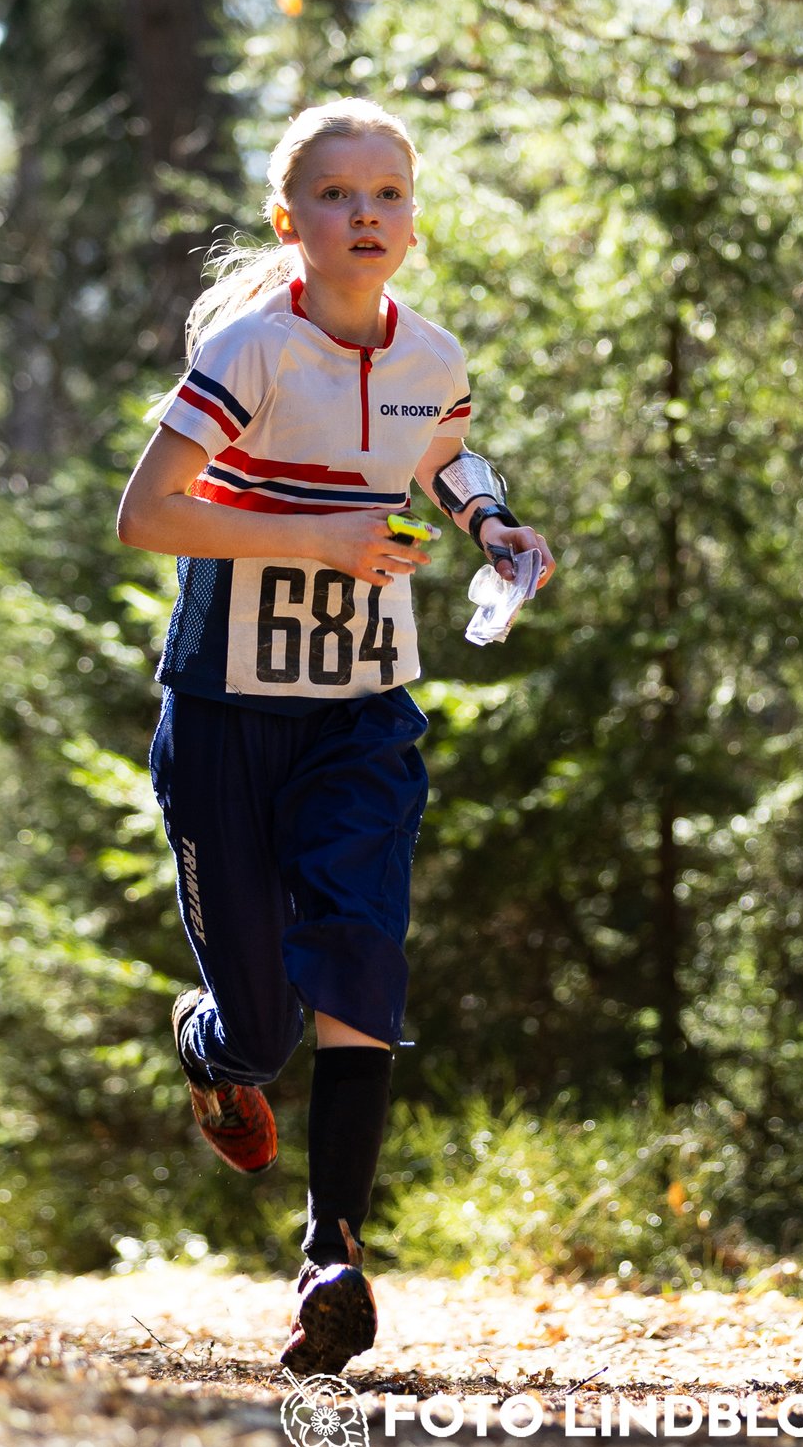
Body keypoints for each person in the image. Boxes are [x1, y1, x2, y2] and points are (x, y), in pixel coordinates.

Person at [116, 98, 554, 1377]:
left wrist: (496, 528)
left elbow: (446, 454)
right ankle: (216, 1051)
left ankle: (332, 1260)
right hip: (224, 714)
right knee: (263, 1026)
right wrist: (317, 541)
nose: (366, 215)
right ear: (288, 219)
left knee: (360, 965)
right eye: (337, 195)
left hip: (364, 711)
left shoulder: (433, 356)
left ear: (412, 220)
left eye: (389, 196)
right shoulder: (252, 352)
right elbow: (149, 515)